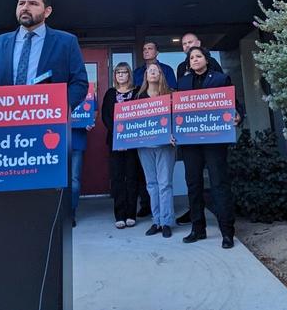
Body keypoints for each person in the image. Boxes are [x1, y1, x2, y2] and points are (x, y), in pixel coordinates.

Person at [0, 0, 88, 224]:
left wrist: (59, 109)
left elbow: (79, 83)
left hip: (46, 131)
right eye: (21, 3)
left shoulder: (66, 41)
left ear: (47, 11)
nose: (25, 8)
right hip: (4, 134)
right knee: (10, 192)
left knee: (44, 194)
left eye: (32, 3)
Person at [177, 46, 244, 249]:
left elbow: (235, 105)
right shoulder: (183, 83)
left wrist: (238, 116)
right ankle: (198, 229)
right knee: (193, 185)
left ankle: (227, 232)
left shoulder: (220, 79)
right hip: (190, 143)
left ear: (207, 60)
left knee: (219, 184)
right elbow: (176, 110)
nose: (195, 60)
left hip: (215, 141)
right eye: (192, 58)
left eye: (199, 56)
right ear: (188, 63)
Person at [135, 64, 177, 238]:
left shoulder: (170, 95)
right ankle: (156, 221)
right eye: (149, 70)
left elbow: (178, 118)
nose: (153, 72)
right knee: (151, 185)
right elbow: (133, 121)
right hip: (145, 147)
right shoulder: (138, 97)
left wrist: (174, 133)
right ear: (146, 75)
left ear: (161, 75)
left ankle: (166, 222)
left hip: (166, 146)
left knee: (165, 184)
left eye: (156, 70)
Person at [101, 62, 138, 228]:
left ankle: (131, 213)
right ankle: (120, 215)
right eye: (118, 72)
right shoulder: (110, 94)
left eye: (124, 72)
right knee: (117, 178)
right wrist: (118, 135)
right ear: (114, 75)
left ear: (129, 74)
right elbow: (105, 117)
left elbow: (142, 114)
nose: (121, 75)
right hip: (115, 141)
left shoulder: (137, 92)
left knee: (132, 177)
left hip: (134, 141)